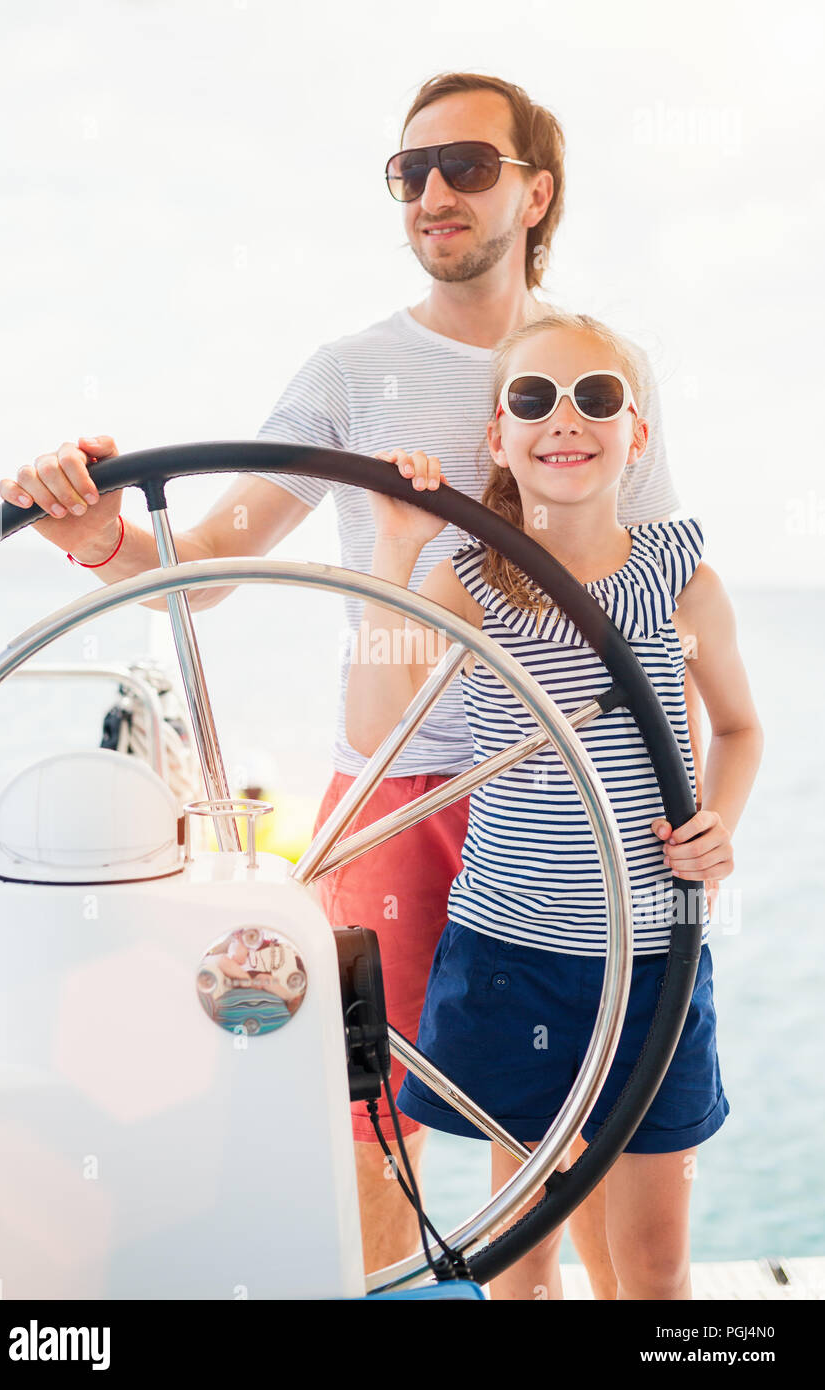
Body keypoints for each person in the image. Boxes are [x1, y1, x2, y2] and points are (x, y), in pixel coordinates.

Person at [0, 71, 693, 1285]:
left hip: (571, 797)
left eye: (467, 166)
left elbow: (652, 603)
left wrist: (693, 806)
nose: (433, 191)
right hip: (397, 792)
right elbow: (205, 566)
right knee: (381, 1126)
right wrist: (93, 528)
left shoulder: (593, 379)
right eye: (408, 171)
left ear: (534, 190)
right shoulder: (348, 374)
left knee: (581, 1129)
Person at [345, 310, 763, 1299]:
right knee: (520, 1258)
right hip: (511, 962)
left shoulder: (675, 576)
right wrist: (390, 549)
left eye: (596, 397)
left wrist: (719, 827)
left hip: (654, 955)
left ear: (637, 433)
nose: (563, 419)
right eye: (530, 398)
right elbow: (375, 725)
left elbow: (740, 731)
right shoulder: (466, 582)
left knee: (653, 1273)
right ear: (496, 435)